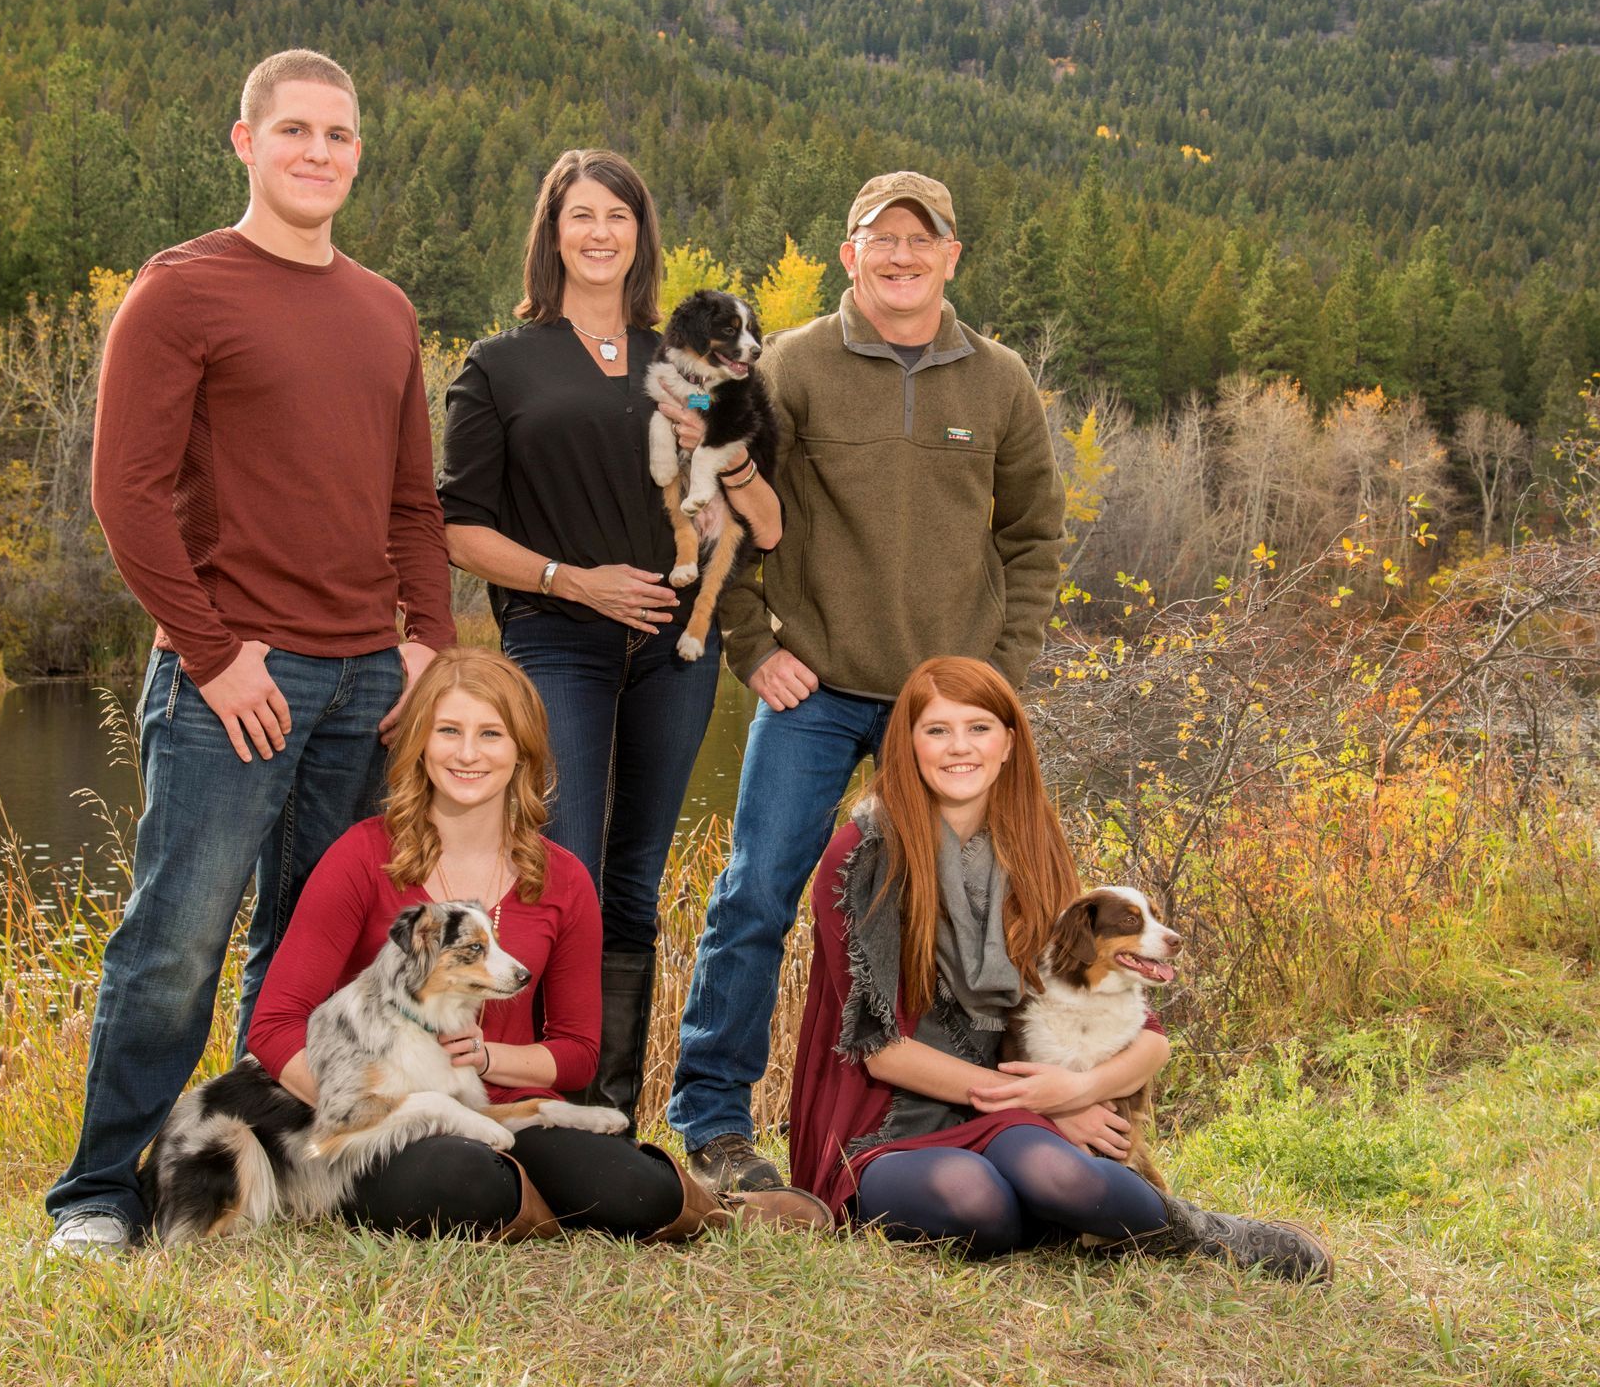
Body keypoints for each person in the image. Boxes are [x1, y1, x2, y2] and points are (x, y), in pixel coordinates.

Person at [46, 49, 456, 1255]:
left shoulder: (384, 309)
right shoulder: (184, 292)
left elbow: (412, 507)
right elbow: (126, 494)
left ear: (358, 154)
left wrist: (427, 641)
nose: (318, 153)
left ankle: (247, 1176)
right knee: (175, 941)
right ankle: (97, 1198)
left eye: (339, 135)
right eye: (295, 132)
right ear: (245, 142)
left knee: (310, 953)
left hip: (368, 684)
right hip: (237, 679)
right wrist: (216, 654)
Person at [669, 171, 1067, 1190]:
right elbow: (728, 503)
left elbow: (1032, 539)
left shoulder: (1000, 379)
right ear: (850, 255)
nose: (900, 256)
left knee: (973, 914)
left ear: (951, 256)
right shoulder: (794, 366)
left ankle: (956, 1118)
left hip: (945, 710)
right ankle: (714, 1125)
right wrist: (754, 647)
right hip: (818, 688)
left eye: (919, 240)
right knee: (756, 895)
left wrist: (996, 681)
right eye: (879, 239)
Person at [245, 647, 828, 1238]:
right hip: (400, 1123)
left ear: (522, 751)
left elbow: (577, 1051)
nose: (468, 753)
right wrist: (364, 1109)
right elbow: (273, 1025)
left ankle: (706, 1206)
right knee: (462, 1179)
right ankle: (533, 1202)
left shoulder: (564, 880)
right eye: (449, 730)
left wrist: (487, 1058)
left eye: (491, 734)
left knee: (638, 1192)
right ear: (419, 742)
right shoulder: (363, 857)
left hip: (510, 1109)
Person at [786, 656, 1332, 1280]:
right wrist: (1030, 1104)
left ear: (1009, 744)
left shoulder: (1031, 845)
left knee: (1062, 1174)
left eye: (979, 728)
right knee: (975, 1204)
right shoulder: (863, 853)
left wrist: (1075, 1091)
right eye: (936, 730)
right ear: (907, 745)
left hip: (1004, 1102)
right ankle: (1070, 1213)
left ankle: (1196, 1233)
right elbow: (878, 1047)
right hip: (882, 1119)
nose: (959, 747)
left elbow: (1141, 1037)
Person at [437, 149, 781, 1128]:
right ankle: (530, 1106)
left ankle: (611, 1117)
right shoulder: (503, 364)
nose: (599, 233)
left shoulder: (683, 358)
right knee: (561, 873)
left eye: (618, 217)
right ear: (551, 234)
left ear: (641, 235)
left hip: (676, 649)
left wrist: (724, 500)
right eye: (579, 216)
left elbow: (744, 489)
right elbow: (458, 524)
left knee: (633, 881)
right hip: (558, 642)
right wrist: (568, 578)